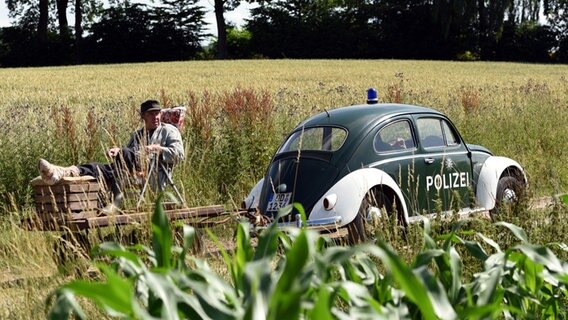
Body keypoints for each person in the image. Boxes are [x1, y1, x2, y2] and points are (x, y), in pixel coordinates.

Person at [38, 99, 185, 206]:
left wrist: (158, 149)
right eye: (151, 114)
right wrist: (118, 151)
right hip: (130, 171)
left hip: (154, 173)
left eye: (157, 113)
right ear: (143, 116)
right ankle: (60, 173)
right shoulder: (138, 134)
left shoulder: (169, 131)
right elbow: (129, 154)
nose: (156, 117)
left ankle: (116, 201)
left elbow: (179, 154)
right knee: (95, 167)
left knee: (125, 154)